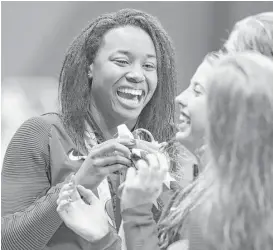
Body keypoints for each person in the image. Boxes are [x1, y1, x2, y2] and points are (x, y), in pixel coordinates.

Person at [54, 11, 273, 250]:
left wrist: (130, 217)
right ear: (88, 67)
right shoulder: (212, 190)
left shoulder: (228, 206)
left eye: (198, 90)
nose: (180, 98)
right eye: (121, 61)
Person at [1, 8, 177, 250]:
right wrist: (78, 183)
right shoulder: (43, 134)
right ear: (89, 67)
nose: (137, 75)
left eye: (149, 66)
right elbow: (7, 242)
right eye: (122, 61)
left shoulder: (162, 154)